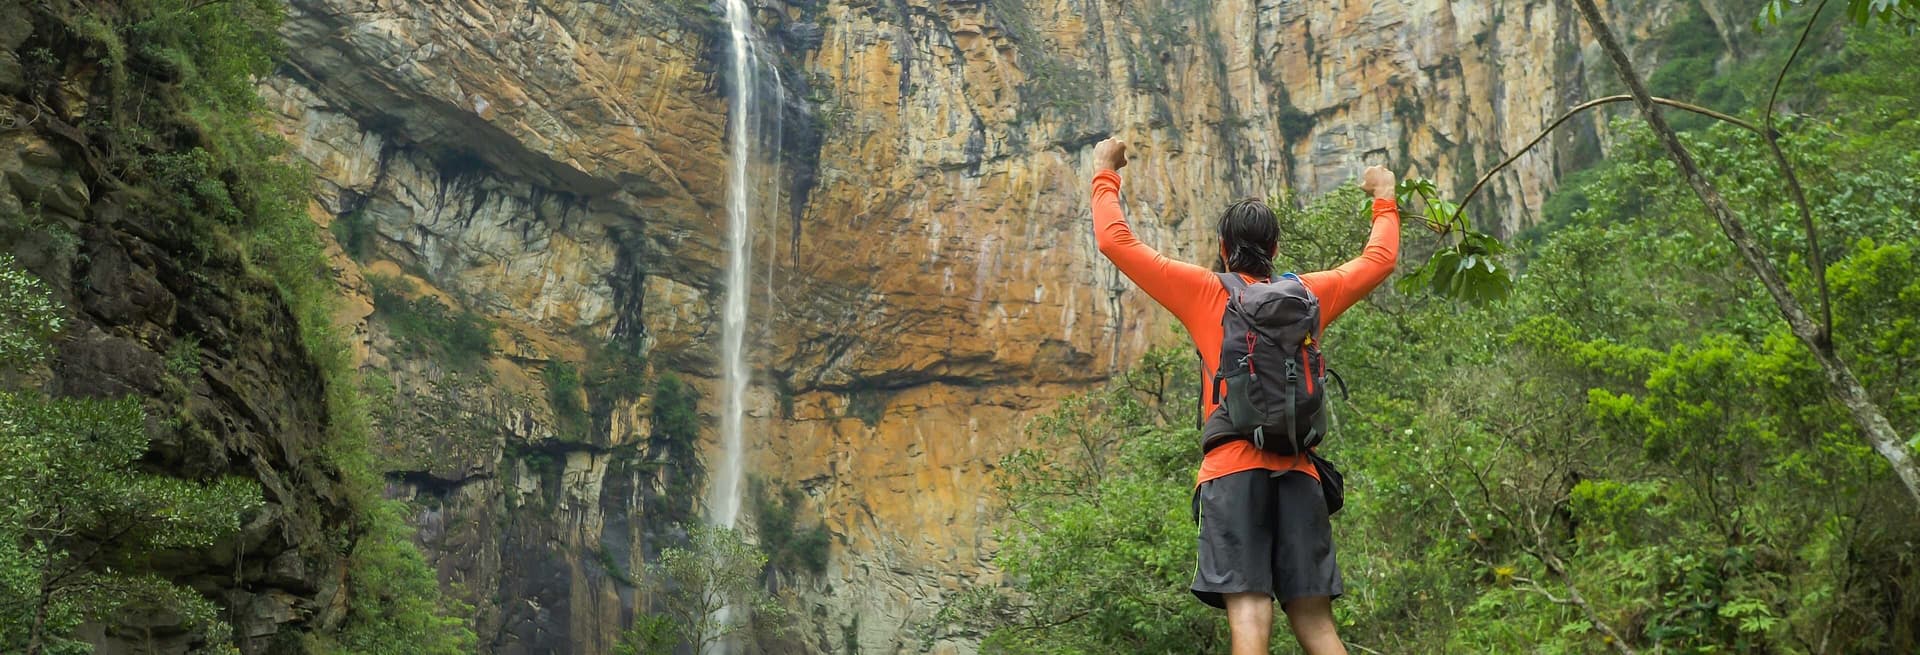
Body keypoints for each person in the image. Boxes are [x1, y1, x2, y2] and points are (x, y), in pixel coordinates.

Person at [1089, 137, 1400, 655]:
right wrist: (1383, 193)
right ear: (1276, 250)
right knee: (1318, 625)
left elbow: (1116, 242)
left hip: (1232, 472)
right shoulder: (1309, 296)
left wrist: (1105, 171)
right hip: (1300, 472)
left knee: (1250, 618)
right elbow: (1380, 259)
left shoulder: (1204, 291)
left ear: (1221, 247)